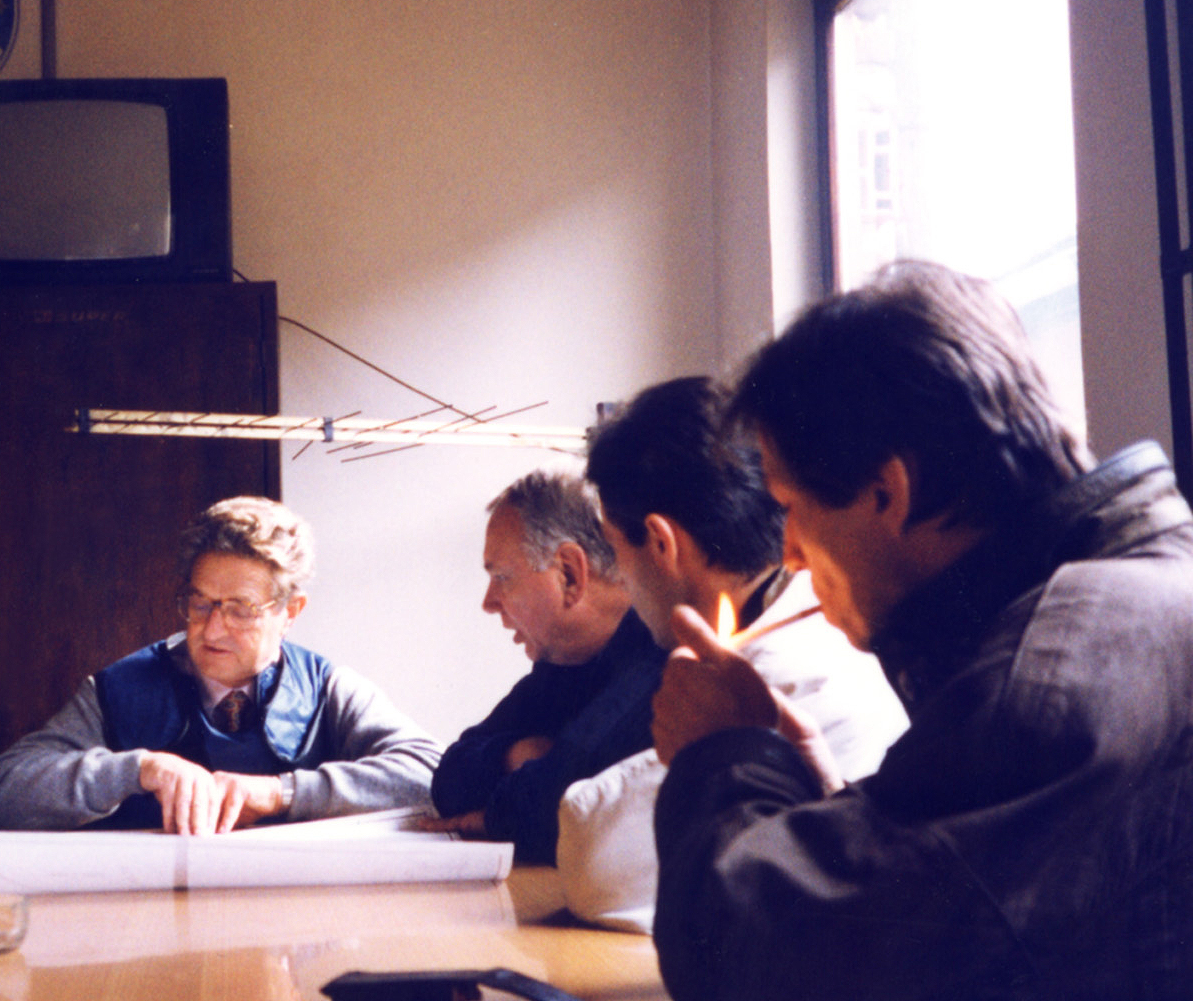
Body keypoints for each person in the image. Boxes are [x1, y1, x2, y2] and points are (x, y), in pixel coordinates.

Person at [650, 261, 1193, 1000]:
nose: (789, 553)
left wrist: (723, 758)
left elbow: (756, 962)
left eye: (792, 507)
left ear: (886, 490)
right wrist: (825, 797)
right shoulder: (1131, 603)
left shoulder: (1047, 680)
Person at [560, 377, 906, 931]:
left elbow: (594, 862)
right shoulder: (824, 632)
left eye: (615, 549)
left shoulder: (777, 672)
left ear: (660, 542)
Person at [0, 496, 440, 833]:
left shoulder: (329, 689)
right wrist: (138, 769)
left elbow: (432, 773)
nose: (211, 630)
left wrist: (283, 793)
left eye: (240, 608)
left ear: (290, 613)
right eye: (200, 604)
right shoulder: (117, 688)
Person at [424, 471, 664, 863]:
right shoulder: (560, 665)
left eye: (503, 577)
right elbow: (449, 779)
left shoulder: (657, 654)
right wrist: (517, 755)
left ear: (569, 573)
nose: (489, 602)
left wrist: (496, 817)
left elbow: (564, 802)